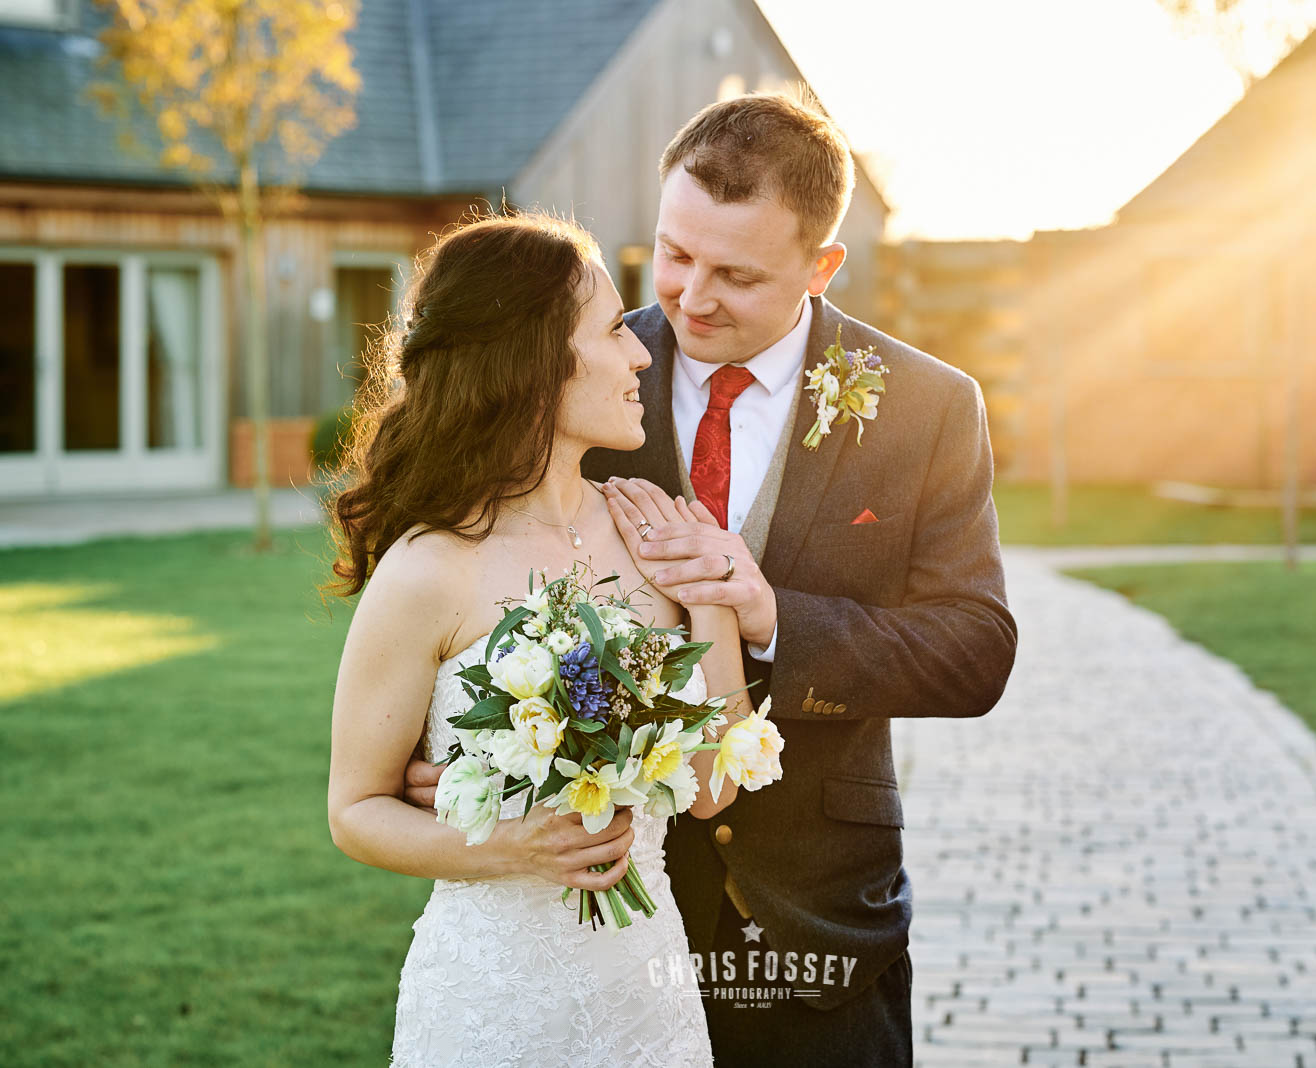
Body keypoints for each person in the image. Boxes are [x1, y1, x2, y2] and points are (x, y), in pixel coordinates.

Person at [403, 95, 1017, 1066]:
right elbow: (457, 582)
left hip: (819, 918)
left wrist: (765, 612)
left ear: (821, 268)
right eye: (673, 254)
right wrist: (463, 755)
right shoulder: (576, 366)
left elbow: (975, 651)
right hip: (594, 916)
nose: (689, 298)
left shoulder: (925, 408)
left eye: (735, 273)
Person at [324, 212, 756, 1066]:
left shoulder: (654, 532)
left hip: (648, 996)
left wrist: (709, 592)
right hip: (490, 1006)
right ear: (532, 364)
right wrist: (503, 844)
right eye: (611, 331)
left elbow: (711, 791)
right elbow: (355, 812)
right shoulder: (428, 570)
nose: (642, 354)